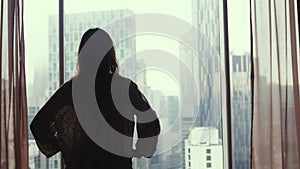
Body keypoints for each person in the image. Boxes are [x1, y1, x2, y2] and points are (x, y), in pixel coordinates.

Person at [30, 28, 161, 169]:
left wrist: (64, 144)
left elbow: (39, 125)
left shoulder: (71, 90)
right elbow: (149, 121)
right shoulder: (125, 88)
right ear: (110, 54)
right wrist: (140, 149)